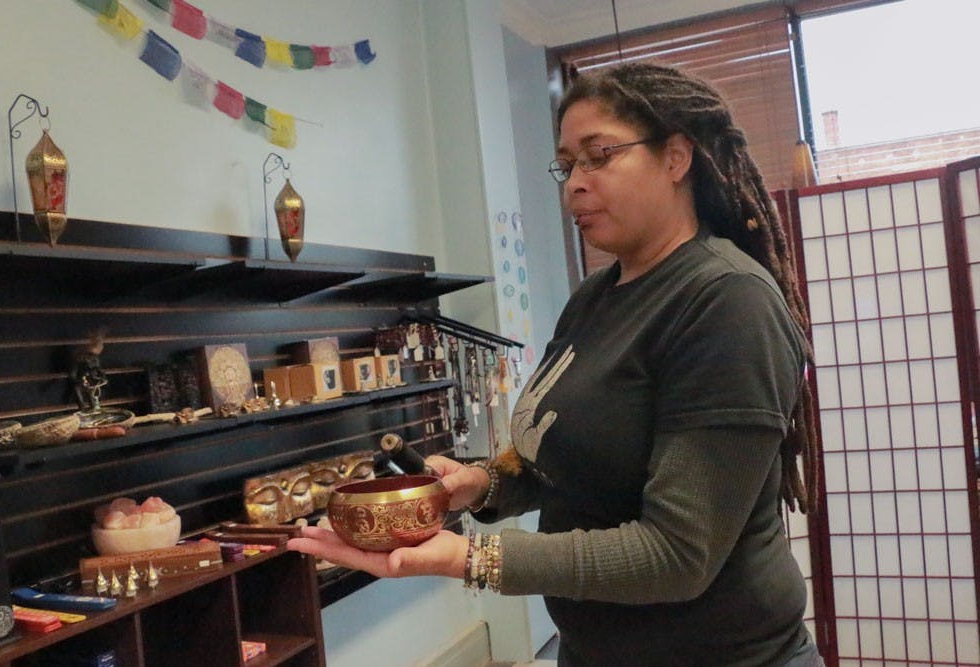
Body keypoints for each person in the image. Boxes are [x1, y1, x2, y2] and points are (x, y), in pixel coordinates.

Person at [288, 61, 823, 666]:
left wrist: (467, 557)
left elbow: (679, 555)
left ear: (677, 158)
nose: (574, 183)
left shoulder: (727, 302)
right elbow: (577, 460)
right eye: (567, 165)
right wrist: (479, 485)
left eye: (599, 156)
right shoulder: (594, 299)